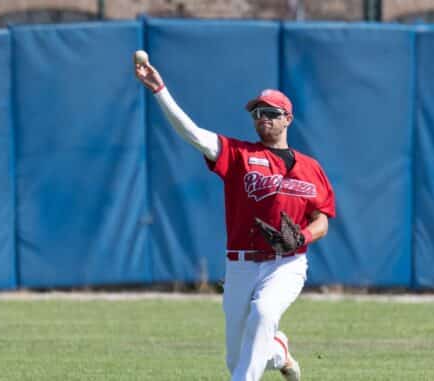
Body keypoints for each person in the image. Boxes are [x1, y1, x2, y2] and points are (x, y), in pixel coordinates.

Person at [134, 58, 336, 381]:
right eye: (257, 113)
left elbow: (321, 220)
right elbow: (193, 134)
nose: (263, 119)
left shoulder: (311, 168)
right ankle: (279, 351)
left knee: (264, 312)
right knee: (238, 356)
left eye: (270, 113)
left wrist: (302, 238)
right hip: (240, 264)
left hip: (287, 264)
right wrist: (160, 90)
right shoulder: (239, 155)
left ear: (288, 119)